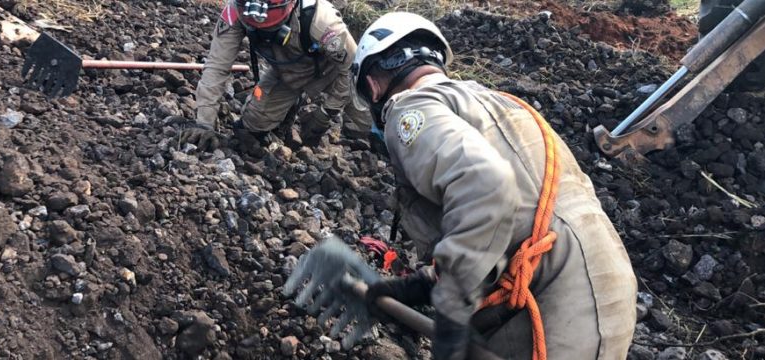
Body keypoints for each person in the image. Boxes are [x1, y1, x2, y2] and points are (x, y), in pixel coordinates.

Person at [350, 12, 638, 360]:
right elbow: (519, 214)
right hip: (604, 289)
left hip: (555, 305)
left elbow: (488, 187)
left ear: (373, 85)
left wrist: (452, 302)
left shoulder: (410, 108)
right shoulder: (496, 103)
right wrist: (427, 283)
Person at [182, 0, 371, 151]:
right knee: (253, 125)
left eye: (271, 29)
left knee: (366, 127)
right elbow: (216, 66)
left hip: (333, 71)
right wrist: (204, 122)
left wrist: (326, 112)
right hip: (288, 75)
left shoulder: (322, 22)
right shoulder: (235, 13)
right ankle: (290, 107)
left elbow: (353, 68)